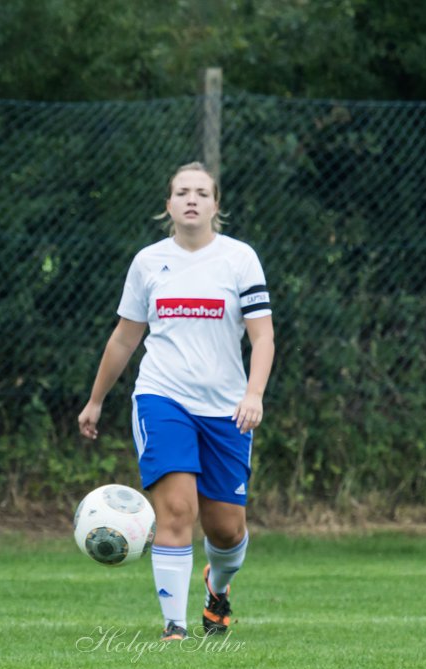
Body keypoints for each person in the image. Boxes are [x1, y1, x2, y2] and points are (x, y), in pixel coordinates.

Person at [77, 161, 274, 641]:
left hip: (228, 409)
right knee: (177, 510)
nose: (191, 199)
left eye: (201, 193)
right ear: (168, 204)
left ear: (215, 205)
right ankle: (174, 626)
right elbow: (125, 338)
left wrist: (254, 394)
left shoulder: (239, 259)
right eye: (182, 192)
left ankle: (217, 588)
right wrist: (96, 400)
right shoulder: (149, 262)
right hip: (162, 398)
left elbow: (263, 336)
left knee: (226, 530)